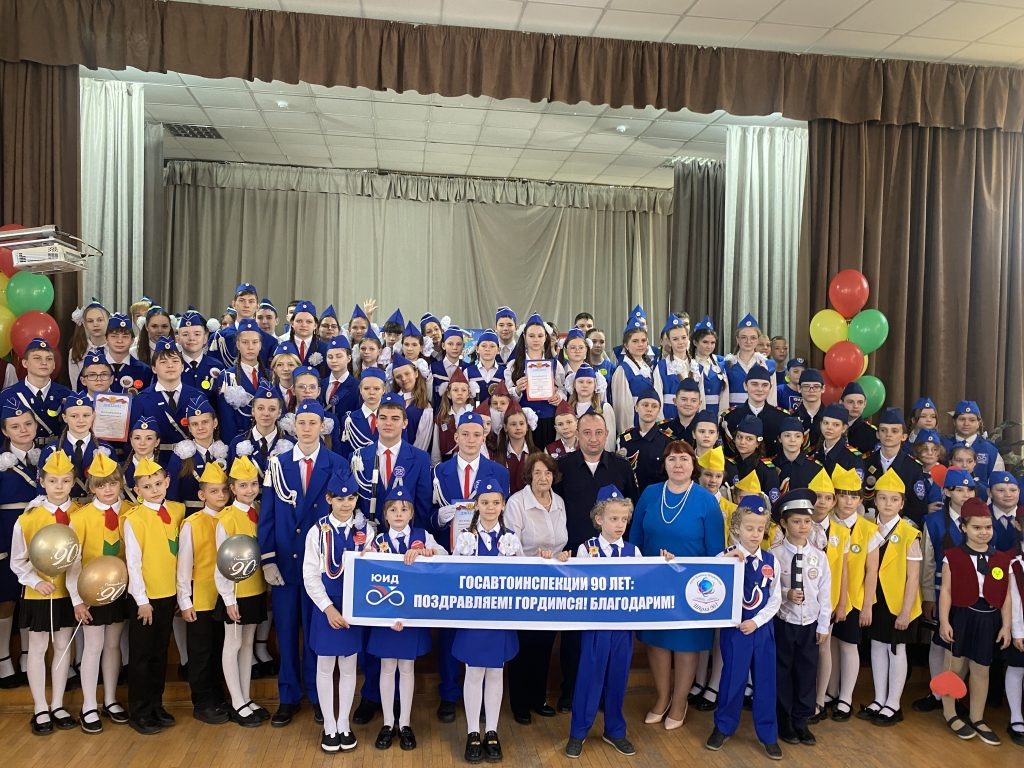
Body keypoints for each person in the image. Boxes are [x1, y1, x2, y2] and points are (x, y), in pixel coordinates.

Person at [258, 399, 350, 727]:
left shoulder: (337, 463)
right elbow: (268, 514)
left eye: (313, 423)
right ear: (293, 426)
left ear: (323, 427)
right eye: (302, 422)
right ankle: (288, 697)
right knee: (285, 633)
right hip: (285, 564)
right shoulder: (277, 464)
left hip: (322, 567)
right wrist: (268, 558)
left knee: (315, 635)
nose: (307, 428)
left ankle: (316, 695)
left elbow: (343, 513)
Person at [567, 485, 673, 759]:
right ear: (599, 519)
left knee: (617, 678)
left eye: (624, 519)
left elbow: (644, 582)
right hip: (596, 628)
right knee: (589, 678)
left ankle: (614, 730)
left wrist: (664, 563)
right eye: (613, 518)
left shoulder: (633, 551)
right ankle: (578, 732)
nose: (619, 524)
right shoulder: (586, 550)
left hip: (622, 629)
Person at [629, 440, 724, 729]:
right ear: (665, 464)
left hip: (691, 586)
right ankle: (662, 698)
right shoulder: (650, 493)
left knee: (685, 644)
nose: (678, 464)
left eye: (684, 459)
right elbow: (636, 539)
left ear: (693, 465)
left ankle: (680, 702)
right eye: (672, 459)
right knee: (656, 642)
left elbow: (716, 550)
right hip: (654, 582)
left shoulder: (706, 500)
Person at [430, 411, 510, 722]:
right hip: (452, 560)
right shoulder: (440, 471)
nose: (471, 439)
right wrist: (441, 517)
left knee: (484, 630)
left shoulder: (498, 471)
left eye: (477, 434)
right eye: (465, 434)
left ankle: (485, 700)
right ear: (455, 436)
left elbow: (502, 515)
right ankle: (449, 693)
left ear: (484, 436)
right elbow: (428, 514)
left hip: (487, 563)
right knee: (451, 630)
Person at [705, 495, 783, 760]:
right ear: (737, 527)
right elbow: (711, 580)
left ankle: (768, 734)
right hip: (736, 631)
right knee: (732, 679)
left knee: (765, 681)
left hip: (761, 630)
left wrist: (757, 621)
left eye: (760, 529)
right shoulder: (726, 556)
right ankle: (723, 727)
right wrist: (728, 559)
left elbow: (775, 599)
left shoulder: (771, 561)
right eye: (749, 528)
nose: (755, 534)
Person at [369, 487, 446, 751]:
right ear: (385, 515)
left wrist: (427, 552)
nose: (399, 514)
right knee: (387, 668)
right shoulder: (377, 541)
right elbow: (367, 574)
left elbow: (446, 557)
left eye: (404, 509)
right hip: (386, 618)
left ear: (412, 513)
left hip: (412, 617)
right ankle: (387, 722)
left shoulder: (423, 536)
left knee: (407, 668)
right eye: (393, 510)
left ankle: (404, 723)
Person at [303, 470, 372, 752]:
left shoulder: (366, 531)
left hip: (353, 606)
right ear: (329, 499)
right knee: (325, 665)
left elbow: (371, 571)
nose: (346, 504)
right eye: (340, 498)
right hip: (327, 606)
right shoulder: (317, 531)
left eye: (351, 498)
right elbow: (310, 575)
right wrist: (328, 609)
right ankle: (329, 725)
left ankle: (344, 722)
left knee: (348, 665)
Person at [10, 450, 78, 735]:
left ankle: (58, 704)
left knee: (63, 647)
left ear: (73, 481)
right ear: (42, 481)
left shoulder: (80, 514)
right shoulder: (28, 518)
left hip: (68, 593)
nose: (59, 487)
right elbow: (18, 560)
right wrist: (34, 582)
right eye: (52, 481)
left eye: (65, 481)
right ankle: (40, 706)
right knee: (38, 648)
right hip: (39, 594)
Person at [453, 481, 521, 763]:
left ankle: (492, 731)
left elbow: (522, 576)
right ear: (476, 506)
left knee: (495, 672)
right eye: (484, 503)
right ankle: (472, 731)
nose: (490, 508)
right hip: (473, 617)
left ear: (503, 505)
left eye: (495, 503)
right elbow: (453, 575)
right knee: (473, 672)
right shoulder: (465, 537)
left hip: (500, 617)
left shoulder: (511, 538)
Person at [938, 497, 1012, 744]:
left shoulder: (1001, 559)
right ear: (964, 528)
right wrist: (944, 621)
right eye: (977, 527)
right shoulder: (952, 556)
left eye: (987, 527)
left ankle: (977, 717)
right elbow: (946, 591)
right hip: (961, 616)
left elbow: (1006, 596)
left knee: (982, 668)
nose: (983, 532)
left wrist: (1006, 626)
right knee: (954, 666)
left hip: (988, 618)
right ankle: (950, 712)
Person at [123, 456, 186, 735]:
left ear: (167, 482)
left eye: (158, 483)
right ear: (137, 490)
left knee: (160, 653)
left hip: (168, 594)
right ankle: (139, 711)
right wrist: (142, 601)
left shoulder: (177, 510)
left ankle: (156, 704)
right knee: (142, 655)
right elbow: (133, 563)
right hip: (146, 598)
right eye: (147, 487)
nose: (155, 490)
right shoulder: (134, 519)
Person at [66, 452, 128, 733]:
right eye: (101, 485)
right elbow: (73, 561)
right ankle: (89, 704)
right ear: (91, 487)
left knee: (113, 644)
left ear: (120, 483)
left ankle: (110, 699)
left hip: (119, 590)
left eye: (113, 483)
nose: (108, 489)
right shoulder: (81, 517)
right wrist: (78, 599)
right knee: (93, 646)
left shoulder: (130, 511)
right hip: (91, 593)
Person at [504, 452, 568, 724]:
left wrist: (560, 556)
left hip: (552, 584)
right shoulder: (517, 502)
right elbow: (511, 545)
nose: (543, 478)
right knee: (524, 645)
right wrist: (536, 560)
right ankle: (520, 703)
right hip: (525, 582)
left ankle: (538, 698)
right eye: (538, 473)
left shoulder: (559, 502)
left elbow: (561, 541)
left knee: (544, 644)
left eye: (548, 472)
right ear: (529, 476)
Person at [770, 487, 832, 746]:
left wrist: (823, 625)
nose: (803, 526)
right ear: (784, 523)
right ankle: (784, 719)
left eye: (807, 521)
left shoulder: (818, 556)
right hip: (785, 622)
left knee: (806, 672)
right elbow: (769, 589)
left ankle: (801, 719)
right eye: (796, 521)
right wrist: (786, 594)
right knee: (782, 671)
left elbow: (825, 593)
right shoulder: (774, 555)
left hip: (809, 624)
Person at [860, 468, 921, 726]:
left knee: (896, 649)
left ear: (902, 503)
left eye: (894, 499)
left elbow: (913, 577)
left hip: (899, 602)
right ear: (875, 500)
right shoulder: (868, 529)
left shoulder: (909, 533)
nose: (888, 504)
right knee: (877, 646)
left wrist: (906, 611)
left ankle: (894, 703)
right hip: (875, 599)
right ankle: (879, 698)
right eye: (883, 498)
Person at [914, 468, 977, 713]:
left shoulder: (979, 519)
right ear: (948, 492)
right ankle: (937, 693)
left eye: (970, 489)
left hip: (971, 592)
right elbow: (928, 562)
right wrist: (928, 596)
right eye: (959, 490)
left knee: (963, 645)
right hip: (941, 590)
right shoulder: (933, 521)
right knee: (939, 643)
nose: (965, 494)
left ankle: (955, 694)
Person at [214, 457, 270, 727]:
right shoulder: (226, 518)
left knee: (247, 644)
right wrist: (228, 599)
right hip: (235, 593)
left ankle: (246, 697)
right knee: (233, 644)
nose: (250, 490)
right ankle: (236, 701)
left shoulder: (259, 511)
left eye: (253, 484)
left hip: (255, 588)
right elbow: (221, 563)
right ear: (232, 489)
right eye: (243, 485)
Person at [175, 459, 231, 726]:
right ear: (202, 495)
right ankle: (202, 701)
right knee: (201, 651)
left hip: (225, 596)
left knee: (220, 647)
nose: (220, 495)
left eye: (224, 490)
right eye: (213, 491)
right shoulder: (192, 523)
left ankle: (218, 696)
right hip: (201, 596)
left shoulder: (231, 518)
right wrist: (185, 600)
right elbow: (184, 565)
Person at [825, 465, 880, 721]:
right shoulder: (826, 525)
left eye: (854, 496)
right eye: (843, 495)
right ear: (835, 497)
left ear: (861, 499)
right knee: (831, 645)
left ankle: (846, 698)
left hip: (854, 599)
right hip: (828, 597)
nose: (848, 501)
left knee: (848, 645)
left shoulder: (868, 529)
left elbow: (872, 571)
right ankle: (831, 690)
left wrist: (867, 605)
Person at [0, 395, 41, 689]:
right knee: (6, 600)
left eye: (28, 424)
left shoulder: (46, 458)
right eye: (15, 426)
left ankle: (28, 656)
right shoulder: (1, 462)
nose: (23, 430)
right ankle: (3, 658)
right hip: (5, 534)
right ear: (5, 431)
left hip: (38, 536)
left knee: (31, 596)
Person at [130, 337, 210, 460]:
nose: (170, 365)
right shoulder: (141, 400)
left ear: (182, 366)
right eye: (163, 362)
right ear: (154, 368)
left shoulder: (197, 396)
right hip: (155, 461)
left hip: (191, 461)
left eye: (175, 361)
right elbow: (132, 438)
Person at [505, 313, 565, 448]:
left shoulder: (555, 365)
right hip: (523, 422)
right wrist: (517, 389)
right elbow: (506, 396)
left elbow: (563, 389)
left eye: (540, 336)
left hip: (549, 419)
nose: (536, 340)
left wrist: (559, 397)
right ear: (524, 337)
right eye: (531, 336)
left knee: (548, 456)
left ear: (546, 337)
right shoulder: (514, 365)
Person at [862, 407, 929, 525]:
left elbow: (917, 506)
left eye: (894, 431)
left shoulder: (913, 468)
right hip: (867, 524)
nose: (888, 435)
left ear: (904, 436)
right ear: (877, 434)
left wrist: (901, 527)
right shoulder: (865, 462)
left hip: (901, 528)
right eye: (883, 430)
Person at [2, 337, 73, 447]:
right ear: (25, 363)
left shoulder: (66, 394)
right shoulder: (7, 396)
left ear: (54, 365)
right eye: (37, 358)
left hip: (57, 453)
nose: (44, 363)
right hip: (21, 453)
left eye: (49, 359)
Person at [721, 365, 789, 460]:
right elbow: (728, 452)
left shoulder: (782, 418)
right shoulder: (730, 417)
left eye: (765, 385)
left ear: (770, 387)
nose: (760, 389)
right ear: (745, 386)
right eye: (754, 384)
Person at [617, 388, 670, 492]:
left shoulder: (667, 441)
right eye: (645, 405)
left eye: (654, 406)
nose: (649, 409)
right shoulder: (623, 439)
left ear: (659, 410)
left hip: (656, 497)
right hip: (629, 498)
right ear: (636, 407)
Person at [609, 319, 653, 432]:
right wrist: (626, 432)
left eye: (643, 340)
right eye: (635, 341)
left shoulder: (648, 367)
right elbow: (621, 408)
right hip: (634, 421)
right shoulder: (623, 370)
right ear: (626, 345)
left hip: (649, 419)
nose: (640, 344)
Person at [944, 400, 1003, 483]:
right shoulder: (943, 446)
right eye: (962, 419)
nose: (966, 423)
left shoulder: (990, 450)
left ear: (978, 423)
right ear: (954, 422)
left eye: (972, 420)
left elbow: (998, 483)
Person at [724, 314, 776, 408]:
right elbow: (724, 396)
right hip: (734, 412)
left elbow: (772, 397)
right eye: (744, 337)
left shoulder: (768, 365)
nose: (748, 341)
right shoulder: (727, 364)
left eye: (753, 338)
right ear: (737, 339)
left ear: (757, 340)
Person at [653, 314, 695, 421]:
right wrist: (661, 423)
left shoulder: (696, 367)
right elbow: (657, 398)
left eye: (683, 338)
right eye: (675, 339)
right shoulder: (661, 367)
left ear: (688, 338)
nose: (680, 342)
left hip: (693, 418)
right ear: (669, 342)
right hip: (669, 416)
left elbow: (701, 397)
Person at [101, 313, 154, 397]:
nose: (120, 341)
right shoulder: (93, 368)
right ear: (106, 339)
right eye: (114, 336)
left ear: (132, 340)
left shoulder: (144, 370)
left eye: (125, 336)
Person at [175, 309, 221, 395]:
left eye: (197, 334)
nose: (191, 338)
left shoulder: (217, 366)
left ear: (205, 338)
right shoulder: (171, 366)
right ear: (178, 339)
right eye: (185, 334)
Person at [813, 403, 864, 478]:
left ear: (844, 428)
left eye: (836, 425)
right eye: (826, 423)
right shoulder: (815, 452)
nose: (829, 427)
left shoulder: (853, 458)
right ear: (820, 424)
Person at [775, 416, 821, 492]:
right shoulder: (771, 466)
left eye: (798, 436)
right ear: (779, 438)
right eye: (787, 435)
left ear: (803, 439)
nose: (792, 440)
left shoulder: (816, 468)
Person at [659, 379, 701, 445]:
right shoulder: (663, 428)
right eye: (684, 399)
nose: (688, 404)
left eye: (693, 400)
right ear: (675, 401)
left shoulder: (707, 428)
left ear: (699, 404)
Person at [989, 471, 1022, 553]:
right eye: (1001, 490)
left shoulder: (1022, 514)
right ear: (989, 493)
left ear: (1019, 491)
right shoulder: (980, 516)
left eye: (1013, 490)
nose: (1008, 495)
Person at [841, 382, 878, 455]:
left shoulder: (872, 434)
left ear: (865, 404)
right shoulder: (831, 427)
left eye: (860, 402)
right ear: (841, 403)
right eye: (850, 402)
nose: (856, 406)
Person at [793, 368, 825, 452]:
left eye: (816, 386)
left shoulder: (831, 417)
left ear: (823, 388)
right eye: (806, 386)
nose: (811, 390)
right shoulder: (791, 417)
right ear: (799, 388)